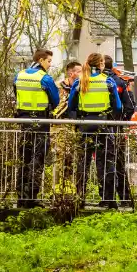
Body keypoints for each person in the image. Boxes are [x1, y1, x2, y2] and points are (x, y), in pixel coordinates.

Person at [67, 53, 123, 208]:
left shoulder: (79, 81)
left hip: (85, 126)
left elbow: (71, 106)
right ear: (100, 64)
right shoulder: (108, 81)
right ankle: (108, 200)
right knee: (105, 162)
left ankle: (80, 198)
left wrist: (78, 119)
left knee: (82, 163)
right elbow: (118, 106)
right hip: (103, 126)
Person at [13, 49, 60, 209]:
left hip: (23, 121)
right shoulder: (44, 78)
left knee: (24, 159)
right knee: (38, 159)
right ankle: (32, 197)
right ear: (41, 60)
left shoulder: (19, 75)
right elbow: (55, 100)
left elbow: (16, 94)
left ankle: (21, 196)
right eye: (48, 61)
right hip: (41, 121)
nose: (50, 64)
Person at [103, 55, 137, 207]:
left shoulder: (96, 81)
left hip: (100, 128)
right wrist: (122, 122)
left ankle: (105, 198)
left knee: (102, 163)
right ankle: (124, 197)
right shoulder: (121, 82)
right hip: (117, 128)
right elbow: (130, 106)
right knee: (119, 163)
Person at [52, 61, 82, 191]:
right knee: (60, 158)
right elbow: (55, 107)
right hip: (59, 127)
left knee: (71, 160)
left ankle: (69, 189)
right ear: (71, 73)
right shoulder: (58, 86)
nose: (83, 74)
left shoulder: (81, 87)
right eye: (80, 71)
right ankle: (57, 189)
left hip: (74, 127)